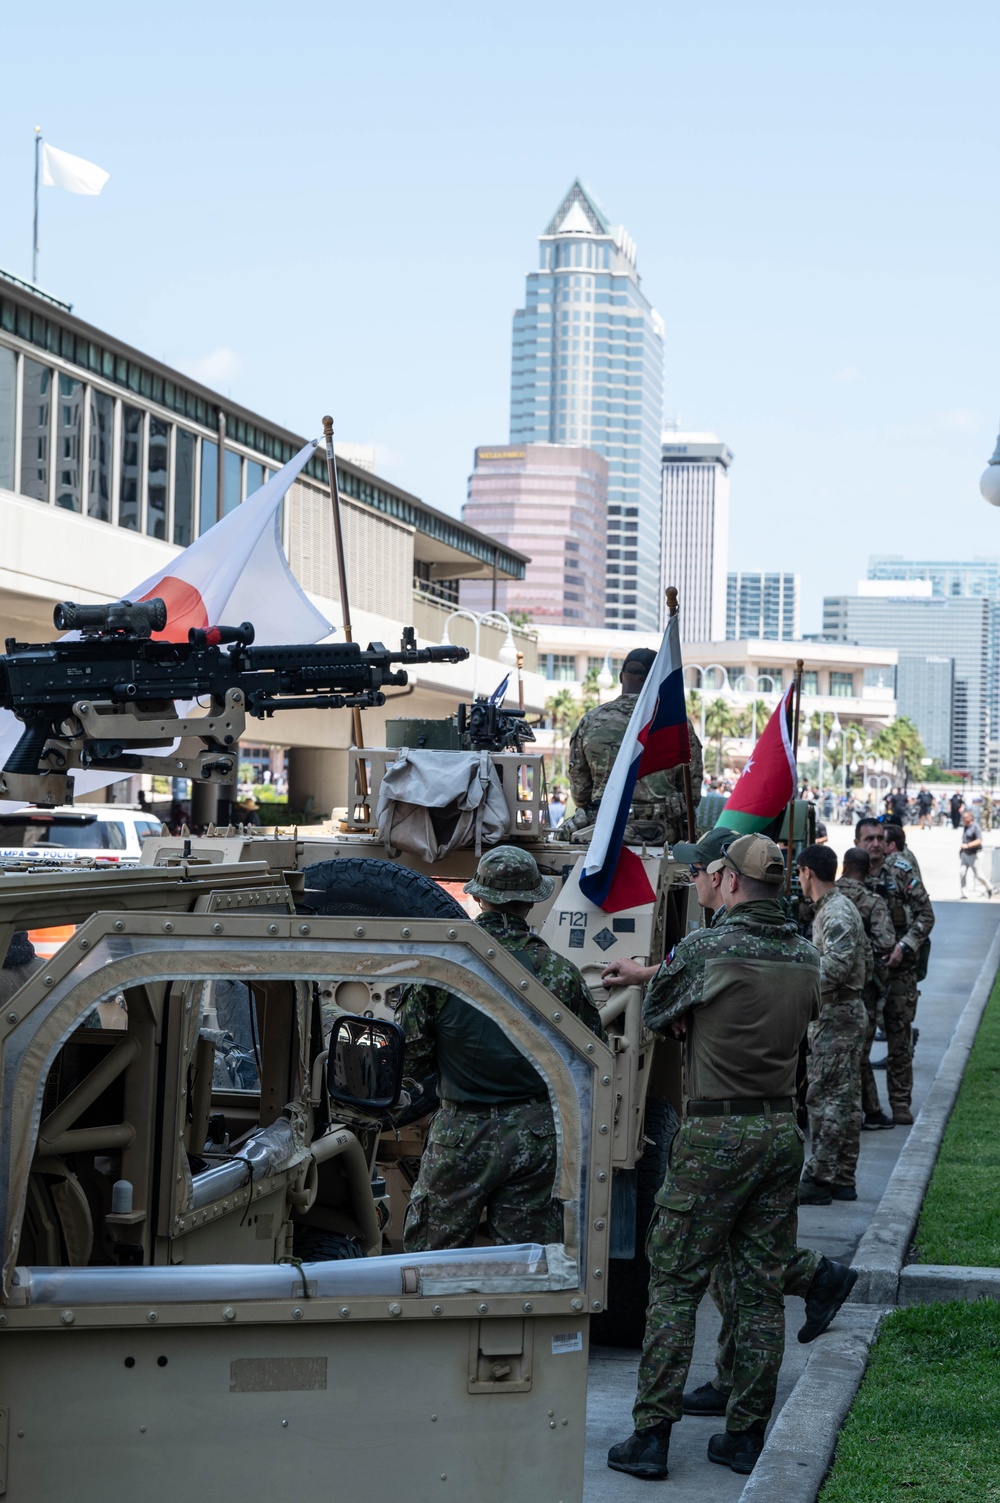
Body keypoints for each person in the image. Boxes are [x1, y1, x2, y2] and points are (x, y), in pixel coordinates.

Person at [602, 834, 820, 1481]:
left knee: (673, 1281)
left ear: (727, 879)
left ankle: (651, 1436)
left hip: (715, 1133)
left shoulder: (706, 947)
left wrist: (684, 1011)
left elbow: (660, 1010)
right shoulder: (804, 955)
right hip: (779, 1129)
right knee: (758, 1290)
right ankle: (745, 1435)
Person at [397, 846, 604, 1252]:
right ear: (530, 901)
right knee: (529, 1264)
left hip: (461, 1134)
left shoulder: (441, 967)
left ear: (477, 896)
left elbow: (411, 1054)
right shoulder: (562, 973)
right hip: (537, 1134)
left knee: (429, 1263)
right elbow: (586, 1053)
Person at [564, 648, 703, 844]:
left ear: (621, 677)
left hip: (604, 833)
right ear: (658, 679)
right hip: (665, 835)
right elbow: (692, 793)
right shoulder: (676, 725)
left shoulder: (592, 721)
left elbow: (580, 792)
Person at [796, 844, 868, 1204]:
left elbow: (838, 967)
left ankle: (820, 1178)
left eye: (798, 873)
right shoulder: (833, 909)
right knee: (845, 1099)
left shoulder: (836, 912)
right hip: (842, 1015)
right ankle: (842, 1177)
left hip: (837, 1017)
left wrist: (799, 979)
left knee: (825, 1099)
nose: (798, 879)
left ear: (807, 871)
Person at [854, 817, 934, 1125]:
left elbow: (926, 915)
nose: (875, 843)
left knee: (899, 1038)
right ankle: (871, 1106)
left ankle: (901, 1102)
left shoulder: (901, 873)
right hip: (864, 975)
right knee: (861, 1041)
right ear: (857, 843)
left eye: (878, 838)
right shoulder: (852, 876)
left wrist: (905, 946)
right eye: (868, 839)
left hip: (900, 973)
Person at [837, 847, 897, 1130]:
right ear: (869, 870)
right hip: (863, 989)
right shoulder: (872, 901)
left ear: (844, 866)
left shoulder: (827, 896)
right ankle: (868, 1110)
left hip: (828, 987)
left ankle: (868, 1110)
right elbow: (886, 941)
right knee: (859, 1051)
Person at [959, 809, 993, 899]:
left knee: (978, 875)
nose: (963, 819)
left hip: (974, 854)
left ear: (970, 818)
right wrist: (961, 851)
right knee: (962, 873)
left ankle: (989, 887)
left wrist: (968, 845)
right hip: (965, 855)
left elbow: (979, 840)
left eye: (964, 818)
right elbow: (964, 841)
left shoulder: (975, 827)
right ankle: (964, 893)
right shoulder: (965, 827)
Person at [883, 822, 924, 886]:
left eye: (881, 840)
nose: (877, 843)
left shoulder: (894, 862)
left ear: (892, 845)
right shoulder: (906, 853)